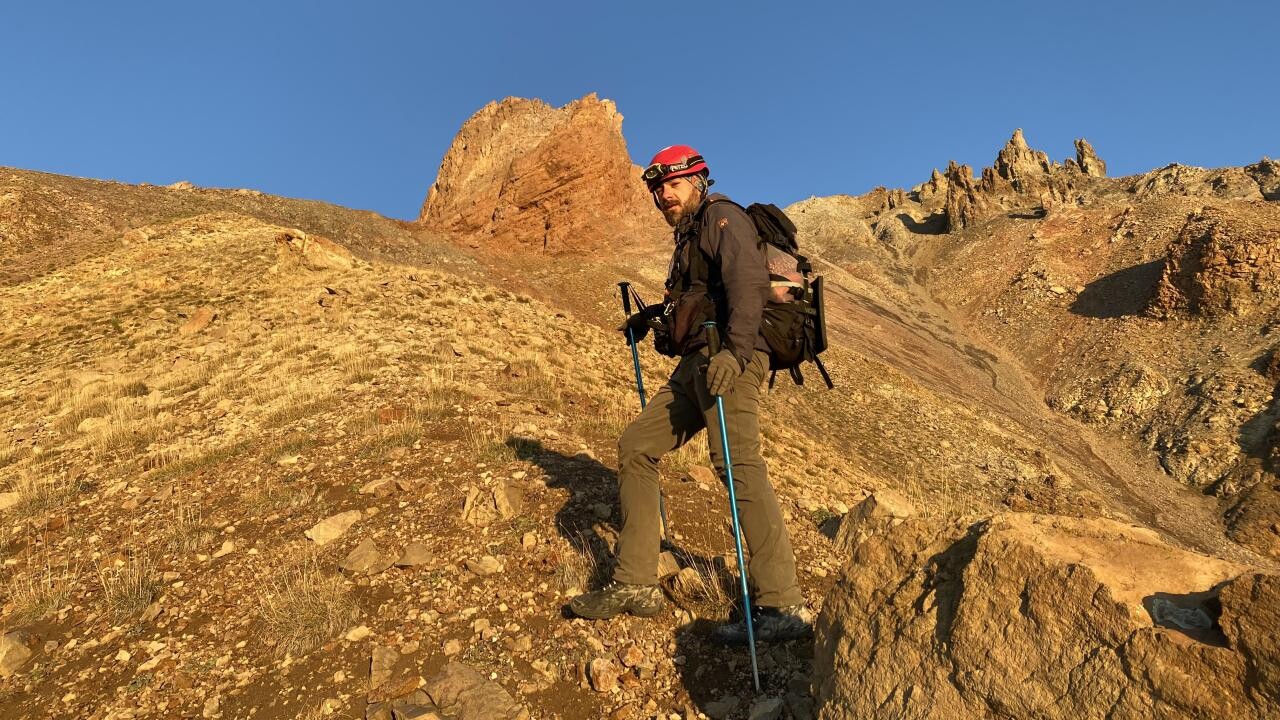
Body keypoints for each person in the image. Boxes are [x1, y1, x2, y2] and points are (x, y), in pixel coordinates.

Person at [569, 145, 811, 644]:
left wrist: (736, 354)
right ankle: (636, 583)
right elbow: (700, 298)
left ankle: (781, 603)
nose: (664, 195)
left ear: (698, 181)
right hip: (699, 360)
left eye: (673, 185)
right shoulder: (689, 235)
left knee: (737, 465)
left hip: (731, 357)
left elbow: (748, 286)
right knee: (637, 446)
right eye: (658, 189)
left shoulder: (723, 219)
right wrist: (651, 319)